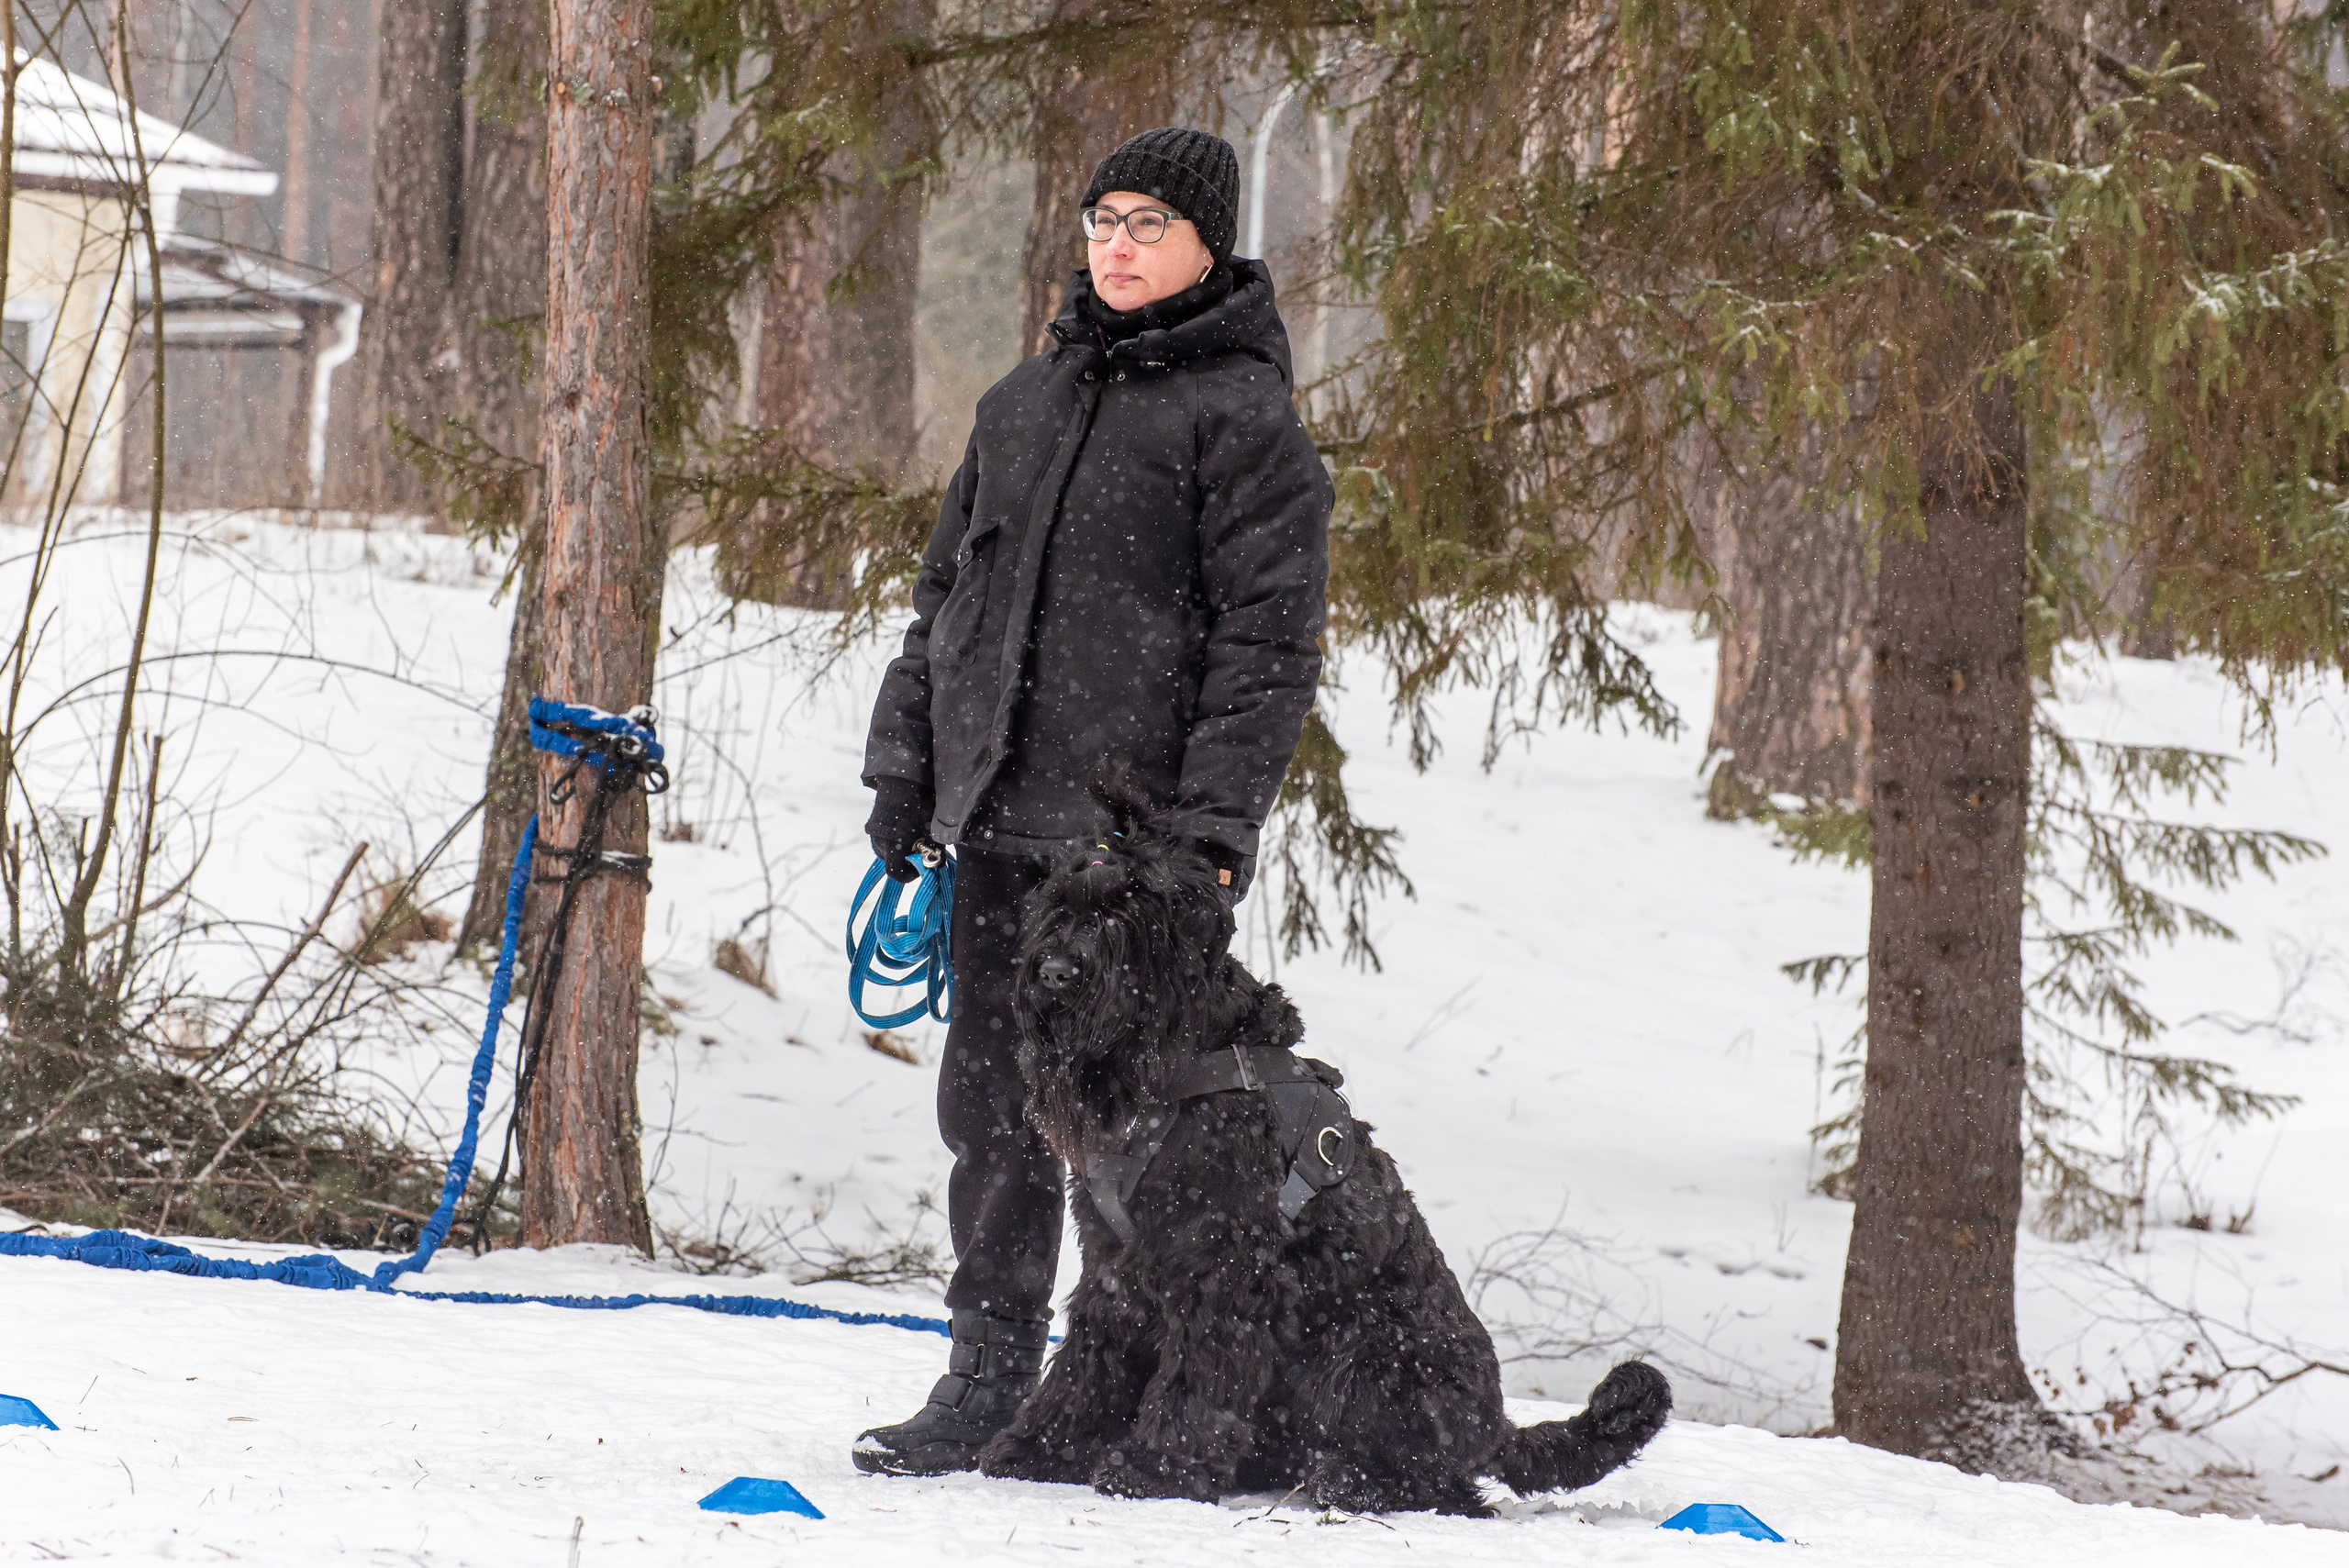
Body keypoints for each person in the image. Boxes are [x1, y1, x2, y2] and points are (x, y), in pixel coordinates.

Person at [852, 127, 1334, 1476]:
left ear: (1208, 245)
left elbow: (1268, 649)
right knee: (992, 1114)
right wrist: (907, 768)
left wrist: (1214, 837)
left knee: (1155, 1141)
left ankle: (1144, 1384)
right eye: (1102, 220)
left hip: (1142, 864)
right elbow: (944, 601)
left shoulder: (1246, 424)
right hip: (1001, 828)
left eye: (1147, 223)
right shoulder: (1022, 402)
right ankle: (991, 1378)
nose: (1117, 245)